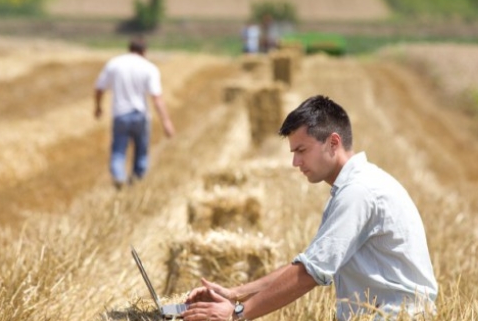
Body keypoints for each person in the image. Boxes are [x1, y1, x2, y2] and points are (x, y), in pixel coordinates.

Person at [181, 95, 438, 320]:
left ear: (333, 143)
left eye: (301, 150)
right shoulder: (355, 186)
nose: (295, 162)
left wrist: (237, 314)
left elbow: (310, 273)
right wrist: (235, 294)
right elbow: (309, 263)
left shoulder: (359, 192)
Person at [94, 36, 175, 189]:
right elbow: (157, 98)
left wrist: (98, 107)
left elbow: (99, 88)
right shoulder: (149, 67)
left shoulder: (115, 64)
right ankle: (137, 182)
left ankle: (119, 177)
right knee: (141, 152)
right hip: (140, 115)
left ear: (129, 49)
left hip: (120, 114)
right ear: (144, 51)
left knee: (118, 151)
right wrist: (166, 122)